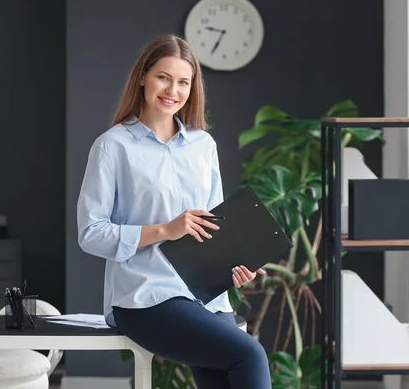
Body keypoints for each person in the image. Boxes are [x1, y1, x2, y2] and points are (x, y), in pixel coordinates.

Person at [76, 34, 271, 389]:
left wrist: (237, 267)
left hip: (206, 298)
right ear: (142, 77)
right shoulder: (112, 147)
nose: (173, 90)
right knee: (250, 354)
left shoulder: (203, 145)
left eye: (183, 82)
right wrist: (165, 230)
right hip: (145, 298)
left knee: (225, 378)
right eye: (163, 77)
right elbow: (91, 234)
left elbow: (215, 227)